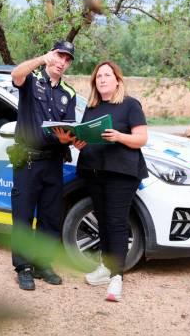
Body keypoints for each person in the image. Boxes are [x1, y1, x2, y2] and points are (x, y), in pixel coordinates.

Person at [72, 61, 148, 302]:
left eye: (107, 75)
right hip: (95, 172)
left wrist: (118, 136)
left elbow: (141, 139)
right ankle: (105, 268)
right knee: (102, 222)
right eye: (99, 76)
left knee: (116, 223)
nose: (102, 79)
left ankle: (117, 277)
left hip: (122, 174)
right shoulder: (92, 107)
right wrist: (79, 143)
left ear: (117, 80)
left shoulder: (130, 105)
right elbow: (85, 135)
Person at [9, 41, 78, 291]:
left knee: (50, 217)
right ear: (52, 54)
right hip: (28, 161)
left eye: (67, 59)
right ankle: (23, 267)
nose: (62, 62)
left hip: (53, 162)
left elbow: (68, 126)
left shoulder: (68, 93)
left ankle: (42, 264)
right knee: (23, 216)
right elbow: (15, 74)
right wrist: (41, 59)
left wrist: (68, 138)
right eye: (60, 55)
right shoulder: (31, 78)